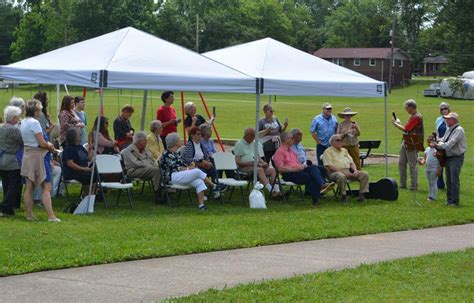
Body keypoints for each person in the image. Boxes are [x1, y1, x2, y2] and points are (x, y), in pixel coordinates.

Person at [20, 100, 60, 222]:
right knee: (46, 186)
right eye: (40, 110)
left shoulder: (23, 121)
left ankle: (30, 214)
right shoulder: (35, 123)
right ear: (36, 111)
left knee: (29, 186)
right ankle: (51, 216)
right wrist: (50, 146)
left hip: (27, 155)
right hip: (38, 156)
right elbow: (42, 143)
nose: (41, 112)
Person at [160, 133, 218, 210]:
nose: (180, 140)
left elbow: (184, 164)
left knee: (199, 181)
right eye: (178, 139)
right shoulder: (167, 154)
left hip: (180, 176)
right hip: (172, 177)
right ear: (175, 142)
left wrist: (191, 164)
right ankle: (214, 186)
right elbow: (178, 168)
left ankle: (201, 206)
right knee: (197, 171)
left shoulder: (176, 153)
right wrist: (189, 168)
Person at [273, 132, 325, 205]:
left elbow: (297, 163)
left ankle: (321, 185)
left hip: (299, 170)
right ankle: (319, 189)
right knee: (310, 176)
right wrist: (294, 169)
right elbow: (280, 168)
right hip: (289, 174)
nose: (293, 140)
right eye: (291, 138)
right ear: (286, 140)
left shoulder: (291, 151)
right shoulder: (280, 152)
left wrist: (301, 166)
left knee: (319, 168)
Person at [233, 127, 282, 198]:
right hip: (245, 168)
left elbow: (258, 157)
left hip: (257, 165)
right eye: (253, 137)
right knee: (259, 170)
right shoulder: (239, 144)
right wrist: (250, 163)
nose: (254, 138)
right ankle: (272, 192)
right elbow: (238, 161)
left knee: (272, 170)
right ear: (248, 136)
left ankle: (277, 191)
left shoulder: (254, 143)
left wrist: (263, 163)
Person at [430, 112, 466, 207]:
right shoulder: (450, 129)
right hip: (449, 157)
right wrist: (436, 139)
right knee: (448, 180)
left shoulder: (459, 130)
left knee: (454, 180)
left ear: (454, 120)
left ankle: (455, 202)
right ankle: (449, 200)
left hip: (456, 157)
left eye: (448, 118)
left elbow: (450, 144)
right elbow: (443, 140)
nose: (446, 120)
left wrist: (437, 145)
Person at [322, 134, 369, 203]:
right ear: (332, 142)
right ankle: (343, 195)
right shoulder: (328, 151)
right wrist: (343, 172)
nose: (340, 142)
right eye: (338, 140)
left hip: (348, 171)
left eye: (341, 140)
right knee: (341, 176)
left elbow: (351, 162)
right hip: (334, 172)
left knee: (364, 174)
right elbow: (329, 166)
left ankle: (362, 195)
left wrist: (355, 170)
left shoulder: (344, 150)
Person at [392, 99, 424, 190]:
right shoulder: (413, 116)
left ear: (411, 107)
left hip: (412, 142)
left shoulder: (416, 117)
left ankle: (414, 185)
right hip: (406, 141)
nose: (405, 109)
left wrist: (396, 124)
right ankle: (402, 184)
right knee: (401, 163)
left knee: (412, 164)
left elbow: (406, 129)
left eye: (406, 107)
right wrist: (399, 124)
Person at [290, 128, 334, 194]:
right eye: (298, 134)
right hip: (297, 167)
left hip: (305, 165)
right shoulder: (289, 146)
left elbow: (304, 155)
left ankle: (312, 190)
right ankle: (321, 186)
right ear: (292, 136)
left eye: (301, 134)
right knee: (313, 169)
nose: (301, 135)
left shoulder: (300, 145)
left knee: (323, 168)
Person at [122, 131, 162, 202]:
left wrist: (149, 164)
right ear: (139, 141)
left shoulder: (145, 149)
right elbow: (136, 163)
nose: (147, 142)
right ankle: (158, 194)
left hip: (146, 169)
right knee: (156, 170)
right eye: (145, 140)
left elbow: (151, 160)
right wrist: (148, 163)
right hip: (133, 170)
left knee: (160, 169)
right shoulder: (128, 151)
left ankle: (165, 192)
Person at [182, 126, 222, 198]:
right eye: (198, 134)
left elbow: (206, 156)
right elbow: (188, 160)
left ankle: (216, 189)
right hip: (194, 166)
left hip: (203, 164)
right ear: (192, 135)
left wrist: (208, 162)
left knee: (214, 169)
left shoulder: (201, 145)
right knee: (202, 171)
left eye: (200, 134)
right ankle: (203, 192)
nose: (200, 136)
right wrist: (201, 162)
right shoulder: (189, 145)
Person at [0, 106, 24, 216]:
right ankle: (4, 206)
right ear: (14, 117)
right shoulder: (13, 130)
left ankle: (9, 208)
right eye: (17, 117)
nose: (18, 119)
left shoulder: (1, 127)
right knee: (15, 185)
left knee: (6, 184)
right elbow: (21, 141)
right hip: (13, 160)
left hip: (2, 158)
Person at [62, 128, 96, 196]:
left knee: (96, 174)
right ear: (74, 136)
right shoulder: (69, 148)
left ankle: (92, 194)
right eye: (80, 134)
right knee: (88, 176)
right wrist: (84, 169)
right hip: (72, 172)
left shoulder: (80, 147)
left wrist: (90, 148)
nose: (81, 135)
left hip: (82, 171)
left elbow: (88, 159)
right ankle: (88, 195)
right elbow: (70, 164)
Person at [419, 135, 440, 201]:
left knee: (433, 182)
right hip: (427, 168)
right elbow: (424, 159)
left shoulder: (437, 150)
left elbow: (440, 161)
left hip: (434, 168)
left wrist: (439, 169)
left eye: (432, 142)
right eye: (428, 142)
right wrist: (421, 162)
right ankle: (430, 195)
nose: (430, 144)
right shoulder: (427, 150)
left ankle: (433, 196)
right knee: (429, 182)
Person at [435, 102, 450, 190]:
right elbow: (437, 131)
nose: (444, 111)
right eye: (442, 109)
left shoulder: (452, 118)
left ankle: (450, 184)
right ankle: (440, 184)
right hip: (439, 144)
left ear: (448, 109)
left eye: (445, 108)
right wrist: (437, 140)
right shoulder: (438, 119)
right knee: (439, 163)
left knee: (448, 164)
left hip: (448, 144)